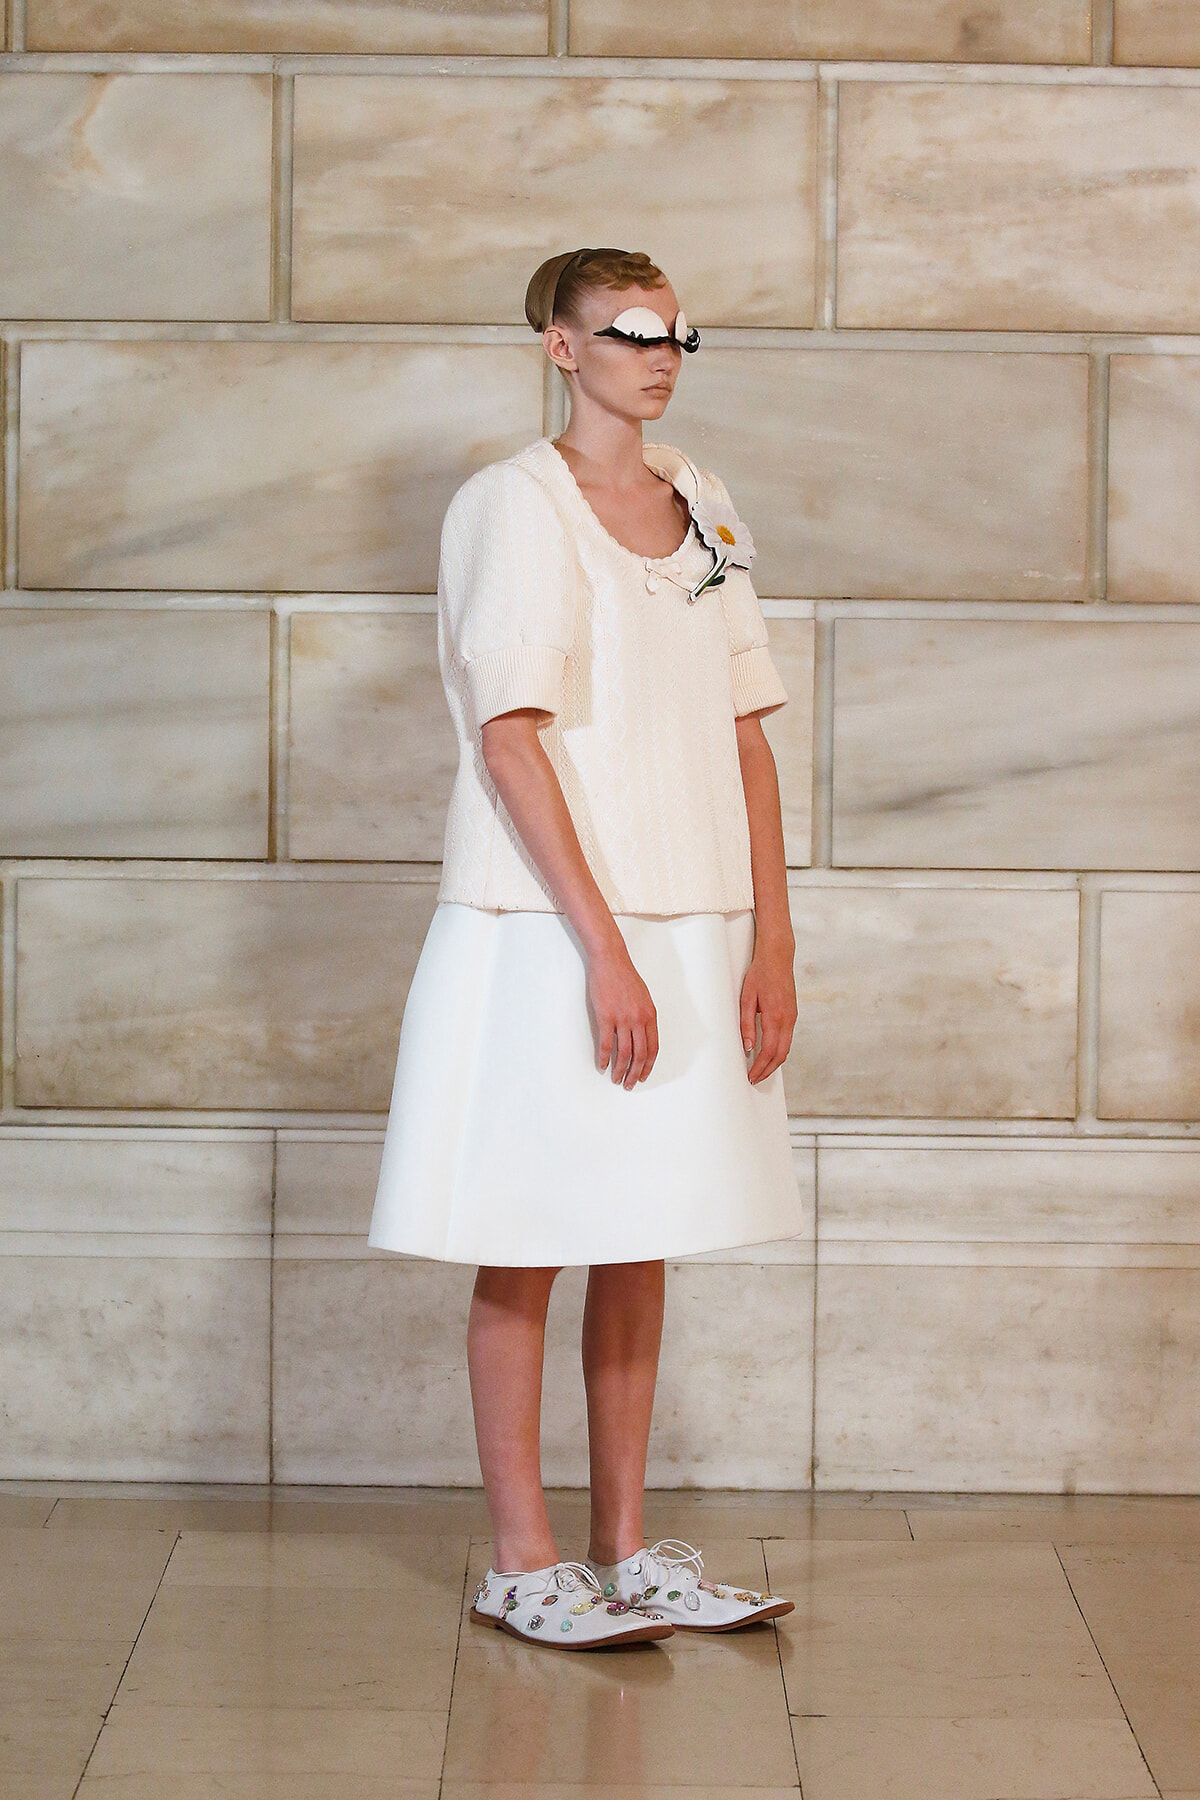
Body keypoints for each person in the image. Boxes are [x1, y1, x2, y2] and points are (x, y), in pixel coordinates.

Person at [368, 246, 805, 1650]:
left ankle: (624, 1555)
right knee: (531, 1225)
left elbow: (745, 730)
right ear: (563, 347)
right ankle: (521, 1557)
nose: (656, 355)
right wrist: (603, 953)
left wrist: (772, 940)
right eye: (626, 333)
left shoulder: (704, 501)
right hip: (551, 924)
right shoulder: (511, 506)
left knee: (644, 1230)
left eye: (677, 334)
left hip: (696, 917)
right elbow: (511, 737)